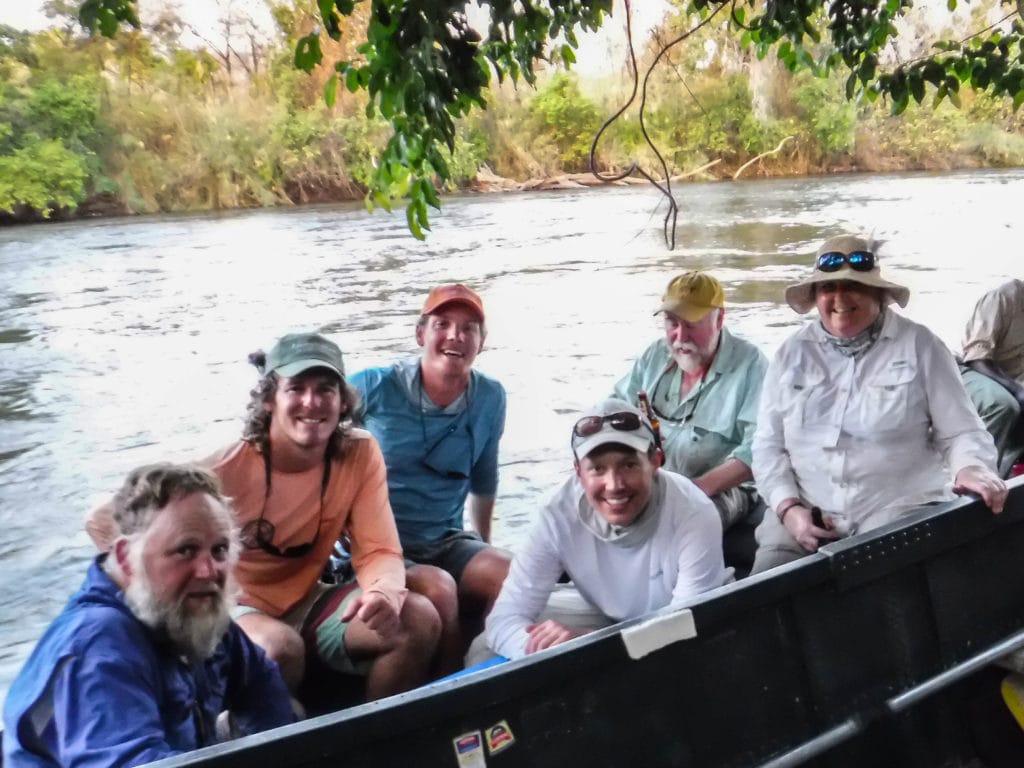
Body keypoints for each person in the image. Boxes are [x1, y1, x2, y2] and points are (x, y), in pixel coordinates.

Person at [87, 333, 440, 702]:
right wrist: (166, 603)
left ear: (342, 401)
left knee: (416, 618)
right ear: (270, 398)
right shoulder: (224, 465)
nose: (311, 402)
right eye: (296, 388)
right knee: (280, 647)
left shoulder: (360, 453)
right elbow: (101, 520)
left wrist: (382, 592)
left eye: (325, 389)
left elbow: (378, 549)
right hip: (238, 608)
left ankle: (377, 746)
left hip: (308, 600)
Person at [4, 463, 295, 768]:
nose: (208, 571)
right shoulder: (97, 646)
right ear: (126, 560)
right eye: (186, 550)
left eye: (219, 550)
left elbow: (261, 685)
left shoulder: (195, 610)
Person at [751, 234, 1007, 574]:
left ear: (879, 294)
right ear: (815, 297)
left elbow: (962, 433)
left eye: (853, 286)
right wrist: (789, 509)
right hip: (804, 514)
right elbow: (768, 446)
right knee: (763, 599)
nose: (840, 298)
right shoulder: (790, 354)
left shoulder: (921, 345)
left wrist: (971, 467)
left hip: (898, 513)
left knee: (893, 604)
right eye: (828, 288)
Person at [485, 398, 729, 660]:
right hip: (601, 614)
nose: (614, 485)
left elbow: (685, 630)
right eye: (598, 469)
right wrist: (547, 650)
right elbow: (503, 619)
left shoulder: (694, 512)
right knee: (482, 649)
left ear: (656, 462)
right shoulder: (556, 512)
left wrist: (590, 646)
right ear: (578, 472)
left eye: (629, 465)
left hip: (679, 624)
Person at [349, 285, 511, 669]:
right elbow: (316, 446)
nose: (455, 336)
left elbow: (484, 478)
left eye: (469, 328)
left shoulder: (491, 396)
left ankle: (497, 668)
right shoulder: (372, 386)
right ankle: (452, 690)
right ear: (421, 334)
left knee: (511, 575)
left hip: (446, 538)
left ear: (481, 343)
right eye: (443, 324)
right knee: (439, 588)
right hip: (377, 549)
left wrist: (484, 544)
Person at [612, 271, 768, 541]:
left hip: (722, 488)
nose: (680, 336)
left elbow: (758, 451)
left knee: (682, 525)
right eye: (672, 323)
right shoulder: (654, 355)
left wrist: (693, 490)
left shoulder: (751, 364)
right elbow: (614, 412)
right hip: (654, 481)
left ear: (720, 318)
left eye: (692, 324)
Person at [959, 279, 1024, 476]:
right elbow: (976, 357)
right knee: (1002, 406)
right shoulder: (1004, 298)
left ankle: (1012, 469)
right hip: (971, 371)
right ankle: (977, 476)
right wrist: (1017, 390)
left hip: (1014, 378)